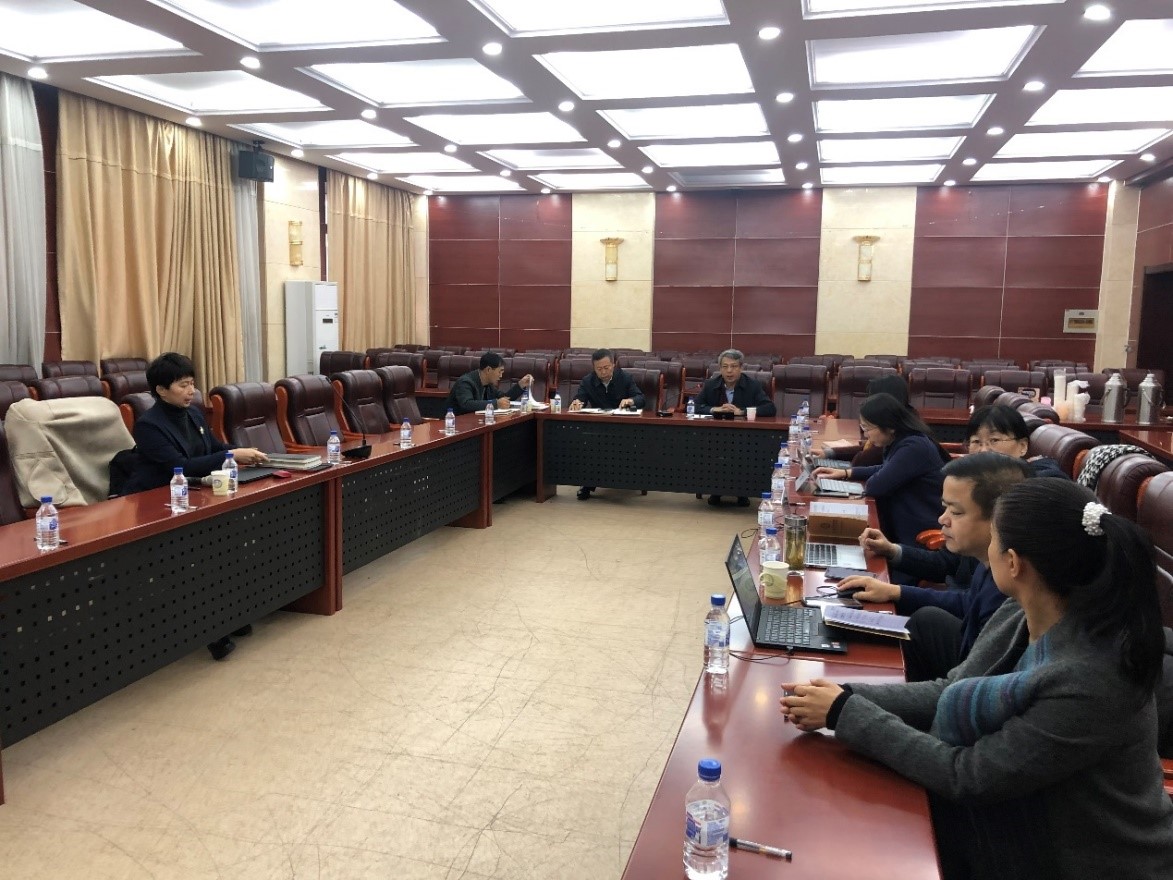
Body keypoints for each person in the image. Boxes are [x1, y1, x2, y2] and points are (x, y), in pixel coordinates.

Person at [782, 478, 1173, 880]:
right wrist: (842, 696)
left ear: (1013, 562)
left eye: (994, 540)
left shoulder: (1091, 679)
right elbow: (950, 689)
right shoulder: (1021, 612)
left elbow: (968, 775)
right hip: (1020, 824)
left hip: (1081, 862)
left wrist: (846, 713)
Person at [835, 452, 1032, 681]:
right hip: (970, 656)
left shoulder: (1009, 589)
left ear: (1000, 518)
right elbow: (969, 603)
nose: (942, 519)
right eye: (944, 508)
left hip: (972, 682)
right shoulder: (987, 562)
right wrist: (895, 591)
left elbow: (972, 683)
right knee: (926, 619)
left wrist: (847, 697)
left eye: (955, 512)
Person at [123, 352, 268, 660]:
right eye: (182, 385)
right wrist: (231, 456)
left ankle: (231, 613)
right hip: (156, 504)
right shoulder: (148, 426)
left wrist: (242, 451)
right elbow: (181, 466)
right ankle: (214, 631)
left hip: (193, 496)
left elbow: (215, 448)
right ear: (161, 390)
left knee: (233, 542)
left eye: (192, 383)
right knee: (205, 554)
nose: (191, 391)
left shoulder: (194, 415)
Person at [813, 392, 950, 548]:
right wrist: (846, 473)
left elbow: (875, 485)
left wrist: (856, 474)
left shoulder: (914, 446)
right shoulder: (900, 441)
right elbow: (886, 468)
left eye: (867, 428)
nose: (866, 435)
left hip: (917, 534)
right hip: (901, 523)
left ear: (889, 426)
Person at [695, 349, 776, 507]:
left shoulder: (753, 385)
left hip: (744, 436)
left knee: (744, 452)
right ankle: (715, 490)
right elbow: (694, 406)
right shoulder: (711, 385)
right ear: (720, 368)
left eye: (733, 366)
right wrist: (714, 409)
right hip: (715, 435)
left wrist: (741, 412)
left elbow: (769, 408)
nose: (729, 371)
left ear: (741, 368)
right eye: (725, 367)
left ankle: (742, 493)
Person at [569, 349, 645, 500]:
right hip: (598, 426)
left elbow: (641, 398)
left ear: (613, 365)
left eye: (606, 367)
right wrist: (577, 402)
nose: (603, 372)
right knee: (586, 443)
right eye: (599, 369)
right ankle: (587, 483)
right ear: (594, 368)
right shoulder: (587, 381)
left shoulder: (625, 378)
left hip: (623, 427)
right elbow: (580, 398)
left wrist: (630, 401)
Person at [816, 373, 910, 468]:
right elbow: (866, 449)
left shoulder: (896, 433)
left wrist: (844, 470)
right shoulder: (903, 419)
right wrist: (830, 453)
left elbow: (863, 461)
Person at [966, 404, 1064, 478]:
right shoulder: (970, 478)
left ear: (1022, 446)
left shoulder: (1044, 482)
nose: (983, 450)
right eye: (976, 441)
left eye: (994, 440)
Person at [446, 352, 532, 414]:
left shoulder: (488, 384)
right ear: (488, 370)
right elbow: (466, 404)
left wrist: (520, 385)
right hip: (456, 425)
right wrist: (495, 404)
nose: (501, 376)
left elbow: (504, 398)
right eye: (499, 371)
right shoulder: (465, 382)